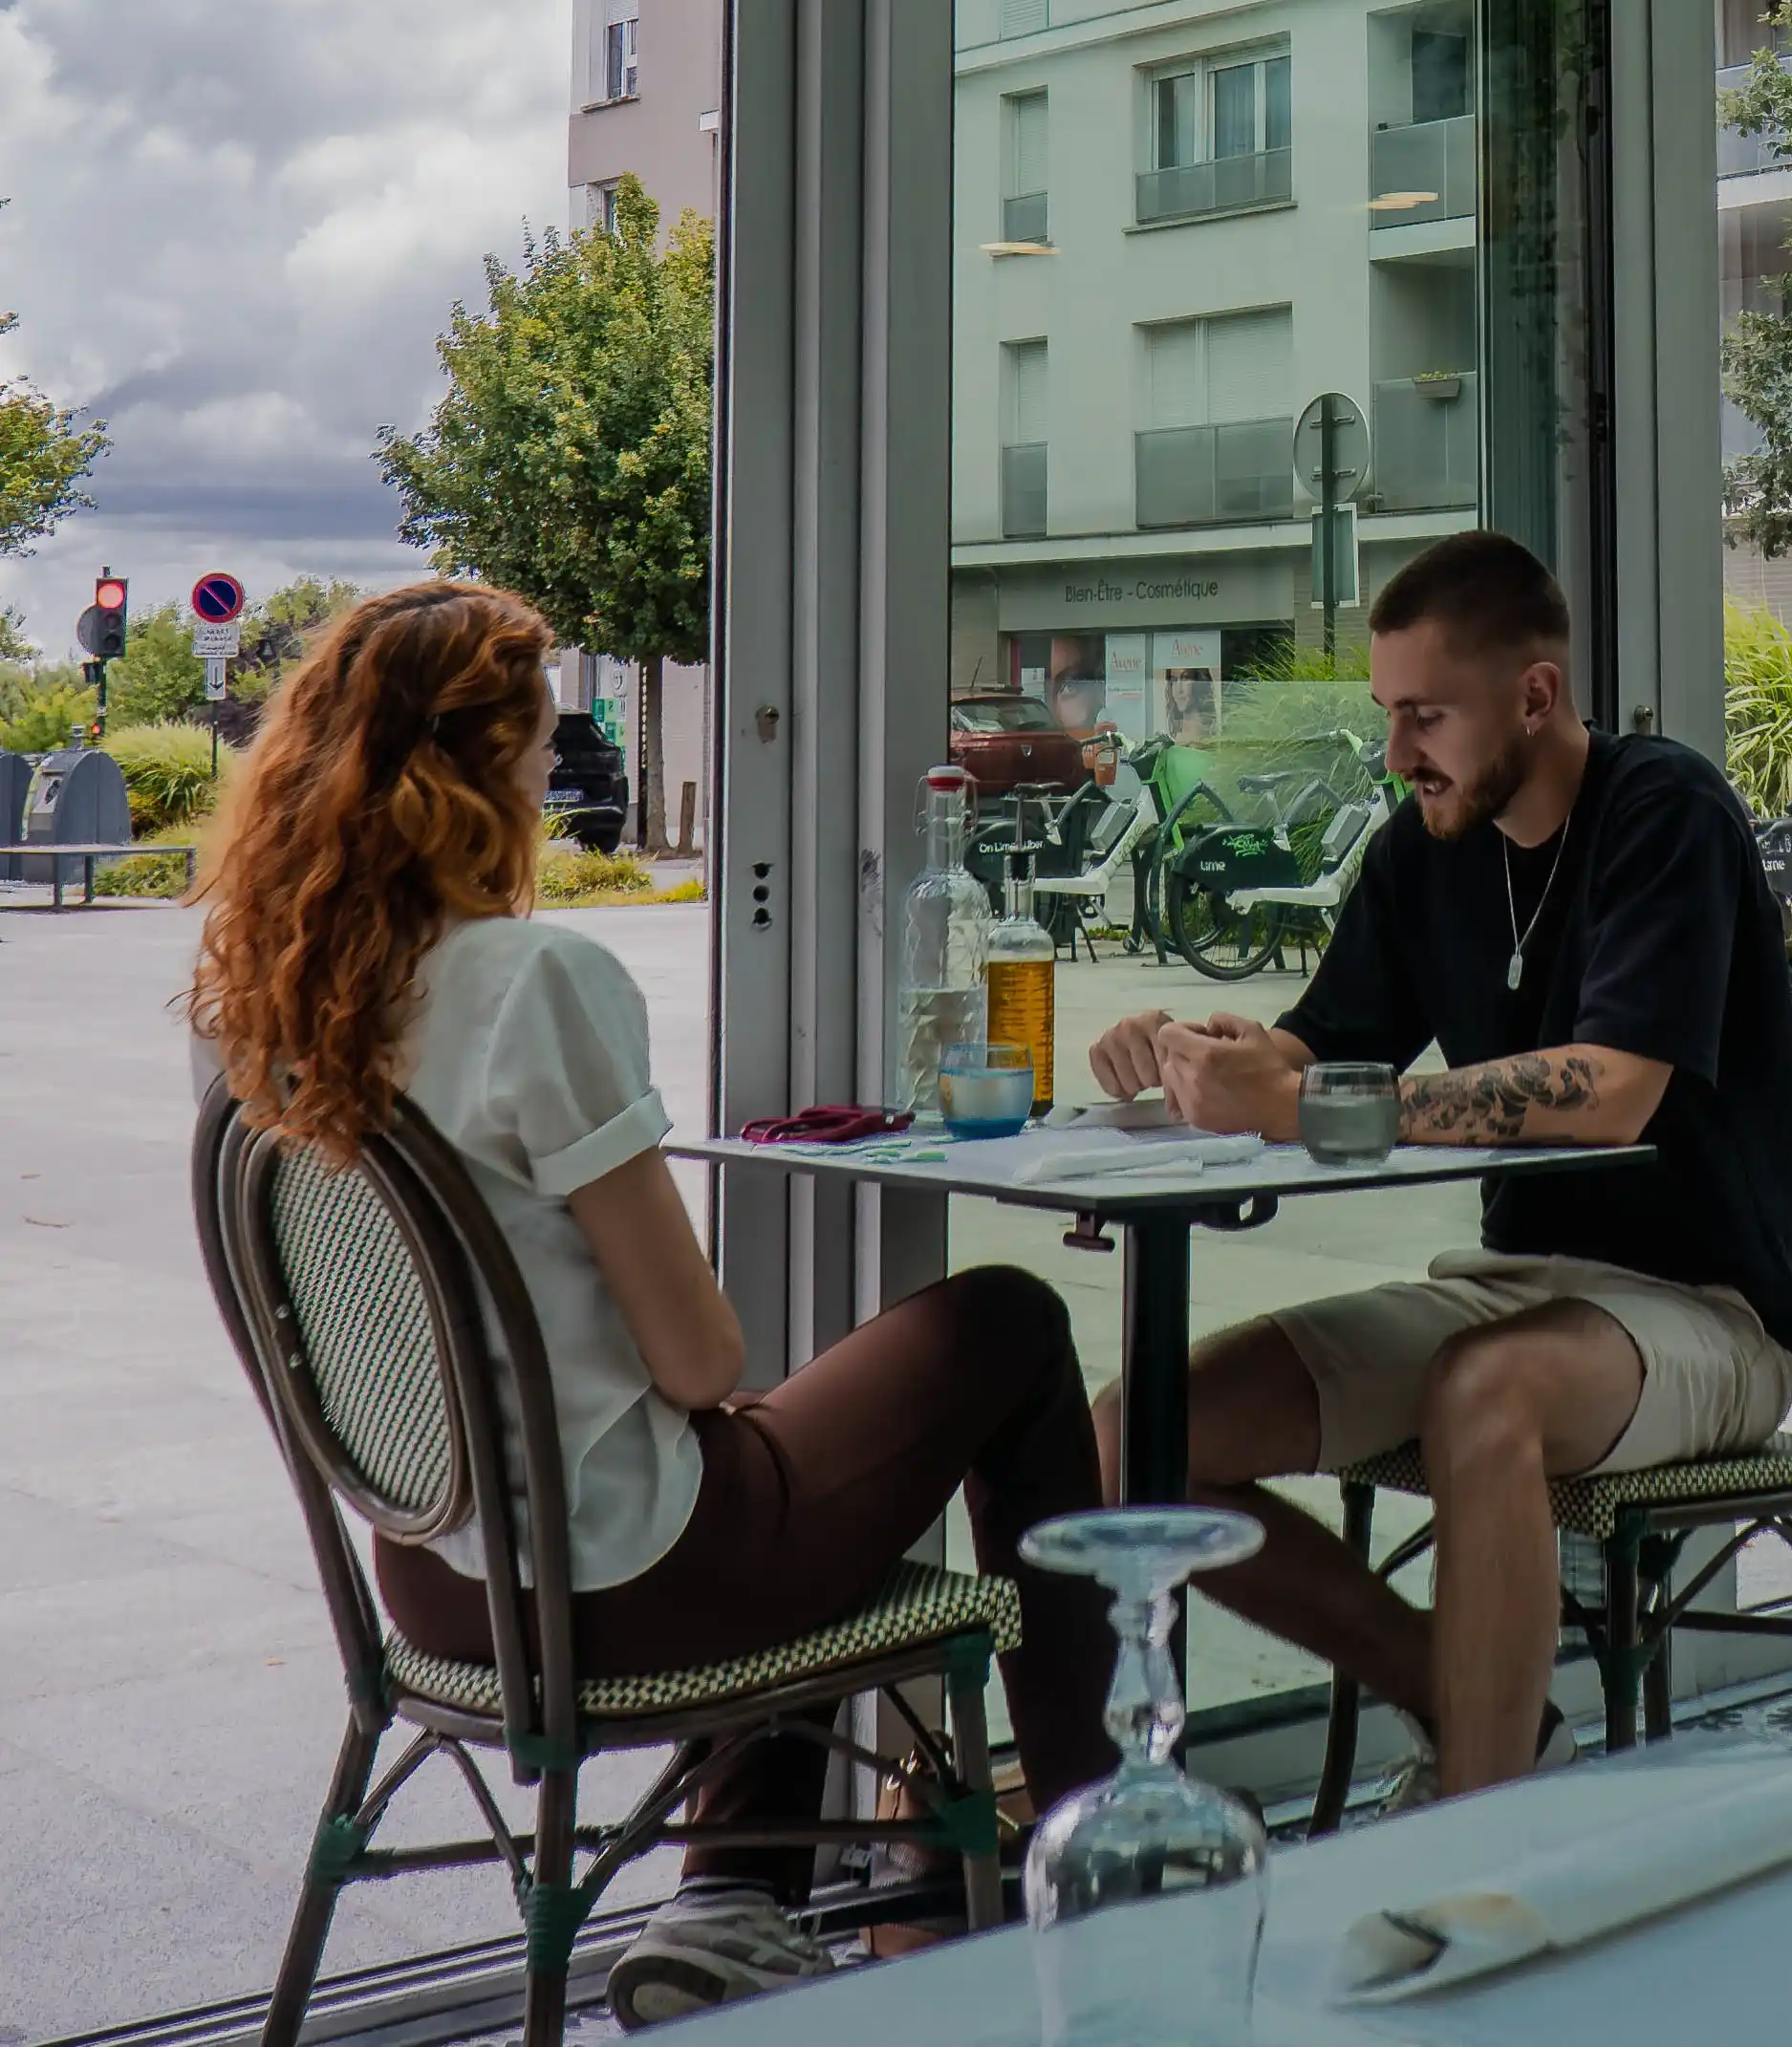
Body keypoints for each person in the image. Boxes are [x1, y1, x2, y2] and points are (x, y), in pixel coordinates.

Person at [191, 578, 1112, 2025]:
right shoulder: (530, 980)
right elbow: (697, 1352)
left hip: (435, 1582)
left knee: (774, 1457)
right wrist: (706, 1391)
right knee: (1000, 1323)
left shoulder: (254, 1007)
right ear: (481, 766)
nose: (551, 780)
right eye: (540, 746)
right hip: (622, 1588)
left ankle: (735, 1898)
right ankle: (1097, 1845)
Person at [1088, 528, 1792, 1799]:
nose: (1394, 754)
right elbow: (1315, 1048)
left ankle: (1481, 1826)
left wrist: (1308, 1100)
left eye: (1424, 715)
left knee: (1483, 1392)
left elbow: (1609, 1088)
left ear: (1533, 695)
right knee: (1131, 1438)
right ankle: (1469, 1702)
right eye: (1387, 715)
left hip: (1705, 1315)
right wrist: (1191, 1048)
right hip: (1510, 1283)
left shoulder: (1665, 810)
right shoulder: (1420, 848)